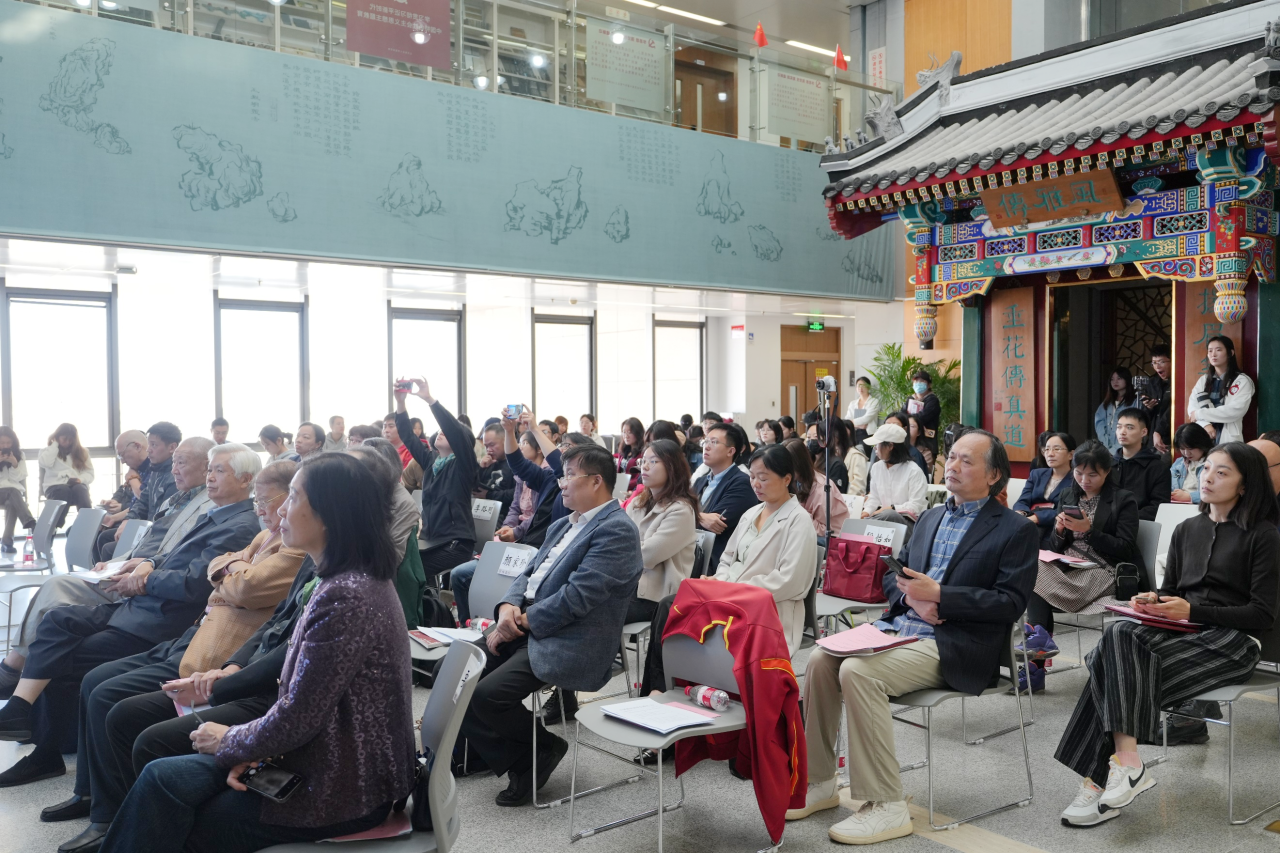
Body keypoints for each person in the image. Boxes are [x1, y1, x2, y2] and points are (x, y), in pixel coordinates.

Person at [99, 453, 414, 852]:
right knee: (161, 779)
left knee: (176, 814)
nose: (280, 510)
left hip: (342, 786)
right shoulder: (342, 580)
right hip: (321, 758)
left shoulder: (346, 596)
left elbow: (300, 716)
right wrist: (251, 749)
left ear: (329, 515)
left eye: (293, 498)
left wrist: (230, 740)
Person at [787, 430, 1037, 845]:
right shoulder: (931, 518)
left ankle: (888, 805)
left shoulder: (1015, 530)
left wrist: (940, 596)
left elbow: (1009, 603)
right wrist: (914, 600)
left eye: (967, 461)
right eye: (951, 457)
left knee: (859, 672)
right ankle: (820, 781)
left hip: (956, 643)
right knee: (819, 660)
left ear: (994, 475)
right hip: (903, 628)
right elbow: (893, 575)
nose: (953, 466)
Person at [41, 461, 305, 848]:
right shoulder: (261, 534)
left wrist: (228, 576)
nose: (268, 509)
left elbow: (244, 588)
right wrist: (227, 570)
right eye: (261, 501)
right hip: (195, 636)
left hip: (210, 648)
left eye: (273, 500)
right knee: (91, 675)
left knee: (109, 696)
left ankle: (114, 814)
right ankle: (94, 797)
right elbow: (216, 567)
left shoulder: (289, 545)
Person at [0, 442, 261, 785]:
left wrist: (145, 580)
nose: (210, 477)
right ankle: (20, 710)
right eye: (210, 469)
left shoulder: (239, 525)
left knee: (60, 656)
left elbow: (194, 584)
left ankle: (44, 751)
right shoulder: (215, 514)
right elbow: (173, 556)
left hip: (159, 621)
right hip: (139, 608)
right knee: (56, 621)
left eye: (219, 471)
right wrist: (148, 562)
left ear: (245, 480)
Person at [1055, 441, 1279, 828]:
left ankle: (1097, 782)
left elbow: (1262, 613)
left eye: (1222, 472)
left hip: (1233, 641)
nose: (1207, 477)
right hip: (1181, 631)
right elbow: (1172, 591)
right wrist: (1152, 601)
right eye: (1206, 468)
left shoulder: (1265, 535)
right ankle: (1128, 763)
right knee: (1119, 634)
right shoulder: (1188, 529)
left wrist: (1192, 610)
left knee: (1110, 670)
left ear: (1245, 485)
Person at [459, 443, 642, 807]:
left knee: (488, 694)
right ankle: (489, 752)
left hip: (570, 637)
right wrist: (507, 608)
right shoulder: (563, 524)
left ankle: (540, 750)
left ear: (596, 481)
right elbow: (527, 574)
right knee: (456, 673)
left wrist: (520, 622)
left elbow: (577, 598)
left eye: (569, 475)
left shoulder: (617, 531)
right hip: (526, 623)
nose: (561, 483)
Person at [0, 438, 217, 704]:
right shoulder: (178, 498)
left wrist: (139, 566)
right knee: (57, 597)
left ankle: (14, 669)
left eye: (180, 463)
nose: (174, 470)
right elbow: (147, 541)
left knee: (57, 591)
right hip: (132, 570)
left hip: (143, 586)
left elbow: (171, 558)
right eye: (174, 464)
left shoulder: (209, 507)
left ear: (207, 466)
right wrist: (115, 562)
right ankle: (17, 674)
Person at [1022, 441, 1142, 687]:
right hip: (1068, 565)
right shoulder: (1069, 495)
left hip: (1103, 569)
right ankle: (1038, 649)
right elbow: (1055, 546)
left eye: (1092, 475)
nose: (1084, 480)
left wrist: (1089, 532)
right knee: (1030, 566)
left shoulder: (1123, 499)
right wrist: (1058, 531)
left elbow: (1126, 549)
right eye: (1078, 473)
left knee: (1035, 583)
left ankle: (1035, 666)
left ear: (1106, 472)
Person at [394, 377, 478, 585]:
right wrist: (401, 402)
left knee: (410, 569)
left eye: (445, 433)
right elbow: (407, 436)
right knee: (399, 562)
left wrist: (430, 400)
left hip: (455, 544)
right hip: (429, 540)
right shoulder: (432, 461)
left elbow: (454, 430)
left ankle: (425, 603)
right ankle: (427, 599)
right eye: (439, 431)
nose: (441, 433)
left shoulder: (463, 464)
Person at [625, 439, 697, 624]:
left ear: (672, 467)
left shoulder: (681, 510)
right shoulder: (637, 503)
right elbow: (619, 540)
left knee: (596, 611)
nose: (645, 467)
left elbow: (647, 556)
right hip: (628, 585)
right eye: (643, 461)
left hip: (655, 595)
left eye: (653, 461)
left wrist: (620, 549)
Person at [98, 424, 182, 563]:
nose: (148, 450)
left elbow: (165, 519)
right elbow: (142, 501)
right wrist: (127, 521)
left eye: (153, 445)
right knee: (105, 537)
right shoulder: (156, 470)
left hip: (158, 535)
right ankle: (100, 572)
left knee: (109, 548)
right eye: (149, 444)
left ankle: (114, 575)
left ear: (172, 447)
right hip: (147, 528)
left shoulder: (175, 477)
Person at [694, 422, 758, 569]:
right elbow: (682, 514)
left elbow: (715, 524)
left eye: (714, 442)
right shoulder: (700, 481)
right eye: (706, 441)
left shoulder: (742, 483)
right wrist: (700, 517)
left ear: (730, 451)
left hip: (717, 563)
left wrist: (693, 517)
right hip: (693, 554)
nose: (706, 447)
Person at [1187, 334, 1255, 446]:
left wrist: (1200, 414)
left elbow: (1235, 411)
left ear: (1230, 353)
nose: (1213, 354)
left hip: (1229, 440)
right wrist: (1205, 424)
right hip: (1204, 437)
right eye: (1210, 351)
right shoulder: (1204, 380)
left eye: (1218, 350)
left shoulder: (1242, 380)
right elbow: (1192, 408)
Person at [861, 423, 928, 535]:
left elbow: (916, 505)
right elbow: (874, 497)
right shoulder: (876, 467)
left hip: (909, 525)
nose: (875, 448)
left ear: (890, 446)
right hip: (884, 520)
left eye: (877, 444)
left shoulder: (914, 471)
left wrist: (891, 508)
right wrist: (866, 512)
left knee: (889, 514)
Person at [1013, 432, 1078, 543]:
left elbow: (1068, 511)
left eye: (1057, 449)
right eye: (1047, 449)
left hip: (1056, 529)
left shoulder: (1077, 479)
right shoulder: (1036, 474)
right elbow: (1022, 500)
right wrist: (1021, 514)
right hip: (1028, 523)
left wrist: (1036, 518)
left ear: (1071, 454)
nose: (1050, 454)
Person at [1110, 407, 1170, 521]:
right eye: (1119, 427)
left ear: (1144, 432)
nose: (1122, 432)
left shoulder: (1158, 468)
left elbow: (1159, 506)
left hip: (1142, 525)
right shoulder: (1108, 465)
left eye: (1129, 427)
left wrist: (1126, 518)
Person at [784, 438, 849, 540]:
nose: (783, 472)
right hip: (808, 531)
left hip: (831, 538)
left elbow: (823, 530)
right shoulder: (795, 482)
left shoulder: (822, 489)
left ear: (799, 464)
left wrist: (796, 511)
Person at [96, 431, 149, 541]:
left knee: (103, 537)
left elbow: (144, 499)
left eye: (122, 455)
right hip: (128, 514)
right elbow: (123, 489)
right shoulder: (135, 469)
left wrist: (132, 479)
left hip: (140, 519)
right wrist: (114, 501)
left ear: (138, 446)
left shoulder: (151, 470)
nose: (123, 461)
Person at [40, 423, 95, 525]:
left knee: (81, 489)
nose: (67, 442)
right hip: (54, 487)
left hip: (76, 485)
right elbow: (46, 463)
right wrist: (55, 444)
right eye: (64, 439)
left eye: (70, 440)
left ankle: (87, 524)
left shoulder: (83, 452)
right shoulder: (46, 452)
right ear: (57, 437)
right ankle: (55, 525)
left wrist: (80, 479)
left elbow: (90, 473)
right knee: (63, 491)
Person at [0, 426, 35, 553]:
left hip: (12, 494)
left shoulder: (20, 455)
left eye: (8, 442)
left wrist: (15, 464)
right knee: (13, 491)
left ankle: (7, 543)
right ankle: (30, 522)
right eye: (2, 443)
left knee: (12, 502)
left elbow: (20, 478)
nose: (5, 445)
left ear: (13, 442)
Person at [1095, 368, 1136, 455]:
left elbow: (1133, 427)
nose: (1115, 382)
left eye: (1119, 378)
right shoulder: (1107, 402)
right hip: (1106, 447)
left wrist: (1114, 450)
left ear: (1127, 379)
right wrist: (1105, 444)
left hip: (1126, 449)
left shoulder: (1135, 401)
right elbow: (1099, 423)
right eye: (1112, 379)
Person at [1170, 422, 1213, 504]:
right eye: (1182, 448)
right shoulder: (1178, 463)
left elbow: (1216, 493)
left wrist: (1190, 497)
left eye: (1190, 448)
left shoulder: (1214, 464)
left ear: (1202, 444)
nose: (1186, 453)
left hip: (1201, 506)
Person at [1142, 345, 1173, 453]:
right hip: (1152, 441)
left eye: (1161, 362)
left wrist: (1159, 431)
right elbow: (1144, 417)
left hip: (1171, 438)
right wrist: (1148, 407)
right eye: (1154, 363)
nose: (1157, 366)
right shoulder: (1151, 383)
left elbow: (1173, 410)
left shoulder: (1180, 382)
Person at [906, 369, 941, 461]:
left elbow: (922, 417)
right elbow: (901, 415)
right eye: (916, 381)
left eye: (922, 381)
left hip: (926, 444)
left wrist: (907, 418)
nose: (918, 384)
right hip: (910, 442)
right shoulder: (910, 399)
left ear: (929, 385)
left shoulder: (933, 400)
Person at [845, 376, 880, 449]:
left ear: (868, 387)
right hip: (854, 434)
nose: (860, 388)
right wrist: (859, 425)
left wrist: (853, 422)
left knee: (863, 452)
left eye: (863, 385)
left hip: (868, 434)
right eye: (858, 386)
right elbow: (847, 420)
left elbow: (866, 419)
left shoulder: (874, 402)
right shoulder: (853, 403)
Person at [616, 417, 645, 492]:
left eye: (630, 432)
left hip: (633, 489)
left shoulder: (643, 453)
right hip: (619, 487)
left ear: (638, 433)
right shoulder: (623, 450)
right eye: (624, 432)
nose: (626, 435)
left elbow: (640, 477)